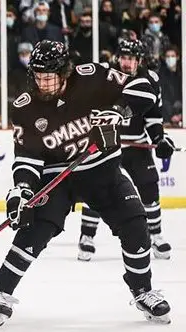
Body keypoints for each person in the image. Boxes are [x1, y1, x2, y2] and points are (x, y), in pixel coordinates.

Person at [0, 40, 171, 328]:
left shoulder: (91, 76)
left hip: (103, 171)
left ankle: (143, 291)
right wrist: (21, 190)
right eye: (38, 76)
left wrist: (120, 110)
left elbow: (145, 89)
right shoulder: (26, 106)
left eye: (50, 76)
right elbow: (27, 158)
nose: (43, 83)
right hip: (59, 178)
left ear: (65, 72)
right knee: (34, 231)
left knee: (135, 223)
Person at [78, 39, 175, 261]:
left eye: (131, 59)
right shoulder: (106, 78)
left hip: (136, 145)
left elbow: (153, 116)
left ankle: (156, 235)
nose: (126, 62)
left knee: (149, 185)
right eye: (123, 57)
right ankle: (87, 236)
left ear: (139, 60)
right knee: (98, 187)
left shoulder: (150, 80)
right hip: (107, 144)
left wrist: (160, 138)